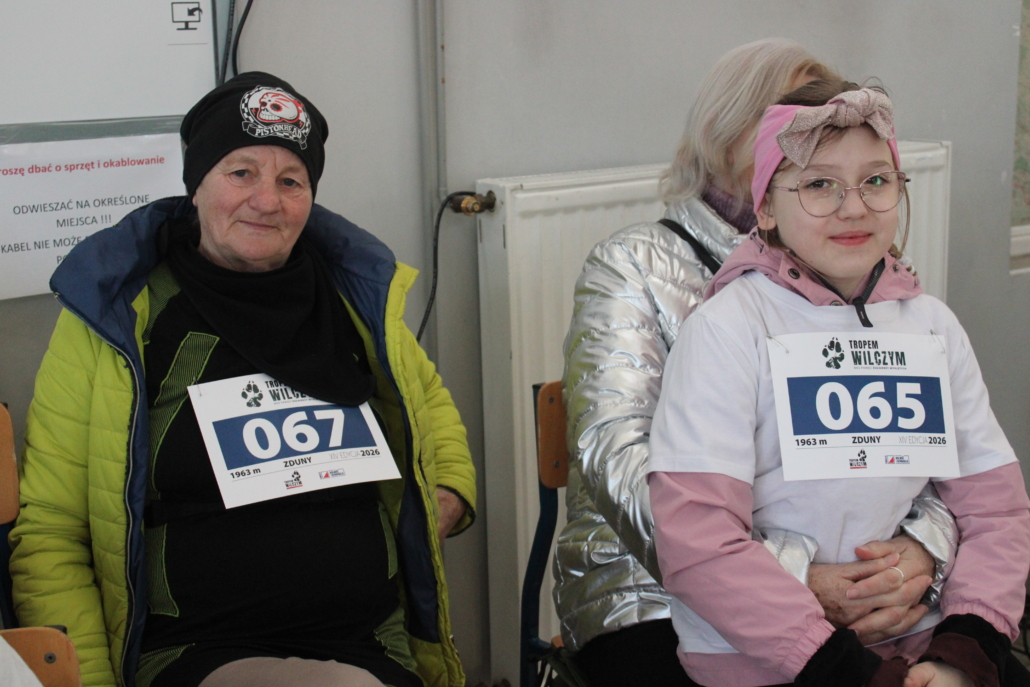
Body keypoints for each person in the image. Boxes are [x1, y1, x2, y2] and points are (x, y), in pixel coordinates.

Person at [9, 72, 476, 687]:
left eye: (291, 181)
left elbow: (426, 401)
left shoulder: (353, 298)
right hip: (195, 647)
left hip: (370, 640)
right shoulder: (120, 319)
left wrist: (449, 490)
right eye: (241, 173)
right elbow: (53, 531)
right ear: (196, 184)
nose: (267, 201)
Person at [554, 39, 959, 687]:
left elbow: (930, 450)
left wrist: (921, 552)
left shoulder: (865, 265)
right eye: (788, 115)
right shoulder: (632, 264)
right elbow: (614, 451)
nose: (812, 133)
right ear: (724, 132)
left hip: (860, 571)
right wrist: (787, 573)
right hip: (653, 589)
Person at [647, 81, 1030, 687]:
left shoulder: (933, 326)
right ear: (766, 208)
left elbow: (996, 511)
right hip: (765, 661)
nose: (854, 208)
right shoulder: (726, 331)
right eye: (819, 185)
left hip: (923, 642)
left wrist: (964, 651)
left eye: (876, 180)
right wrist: (845, 670)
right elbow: (698, 543)